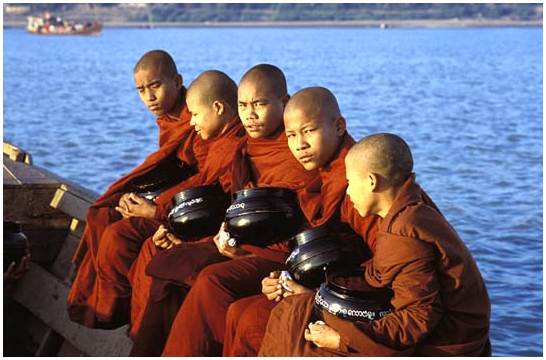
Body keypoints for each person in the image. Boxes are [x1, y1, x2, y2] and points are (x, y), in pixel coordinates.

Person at [130, 65, 319, 356]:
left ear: (284, 103)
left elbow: (299, 222)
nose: (250, 115)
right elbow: (232, 203)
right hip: (243, 240)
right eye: (243, 106)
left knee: (211, 281)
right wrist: (211, 237)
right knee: (171, 260)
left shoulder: (294, 149)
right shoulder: (245, 146)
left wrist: (238, 247)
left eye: (260, 105)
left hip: (278, 252)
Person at [259, 133, 491, 356]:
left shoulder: (404, 230)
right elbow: (390, 277)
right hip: (437, 324)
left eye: (349, 182)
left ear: (371, 182)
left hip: (447, 339)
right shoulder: (411, 206)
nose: (348, 192)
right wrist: (318, 294)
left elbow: (420, 317)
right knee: (295, 309)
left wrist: (342, 340)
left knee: (298, 335)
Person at [222, 87, 378, 356]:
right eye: (291, 135)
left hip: (359, 300)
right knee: (238, 313)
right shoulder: (326, 173)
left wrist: (311, 293)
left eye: (309, 131)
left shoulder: (358, 184)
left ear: (339, 126)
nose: (299, 145)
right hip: (328, 282)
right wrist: (286, 277)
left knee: (251, 321)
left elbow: (385, 268)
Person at [67, 50, 209, 329]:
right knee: (103, 213)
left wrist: (155, 210)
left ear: (177, 81)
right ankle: (104, 306)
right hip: (171, 195)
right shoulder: (170, 118)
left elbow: (206, 176)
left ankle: (115, 309)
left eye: (155, 86)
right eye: (141, 90)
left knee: (119, 235)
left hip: (187, 206)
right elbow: (174, 166)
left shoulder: (194, 113)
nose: (149, 97)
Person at [126, 69, 246, 339]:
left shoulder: (235, 146)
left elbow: (226, 205)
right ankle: (141, 334)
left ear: (218, 108)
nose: (191, 123)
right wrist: (168, 218)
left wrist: (163, 216)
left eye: (195, 114)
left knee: (161, 256)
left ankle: (144, 338)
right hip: (206, 224)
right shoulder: (219, 143)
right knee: (150, 246)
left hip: (229, 239)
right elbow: (204, 192)